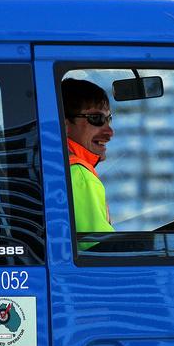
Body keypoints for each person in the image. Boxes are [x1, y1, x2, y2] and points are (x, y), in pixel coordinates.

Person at [61, 78, 115, 234]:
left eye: (109, 119)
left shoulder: (51, 164)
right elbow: (103, 251)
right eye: (96, 119)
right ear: (64, 125)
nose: (110, 132)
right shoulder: (78, 174)